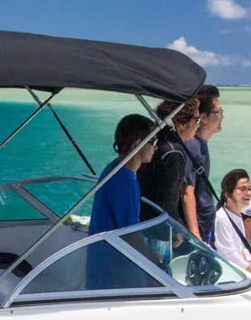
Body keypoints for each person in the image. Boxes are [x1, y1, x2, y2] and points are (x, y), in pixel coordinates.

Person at [86, 114, 158, 289]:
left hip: (101, 263)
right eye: (153, 142)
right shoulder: (125, 180)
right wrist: (151, 263)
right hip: (115, 272)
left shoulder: (112, 169)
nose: (155, 147)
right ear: (137, 143)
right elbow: (130, 233)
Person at [140, 99, 201, 236]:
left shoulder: (156, 142)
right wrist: (177, 232)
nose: (199, 125)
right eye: (197, 120)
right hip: (158, 229)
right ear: (181, 123)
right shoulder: (174, 152)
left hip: (143, 220)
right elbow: (167, 200)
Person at [187, 88, 223, 241]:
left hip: (206, 223)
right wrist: (195, 234)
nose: (223, 117)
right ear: (204, 117)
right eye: (219, 112)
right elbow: (187, 192)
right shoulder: (193, 146)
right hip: (199, 228)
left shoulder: (201, 145)